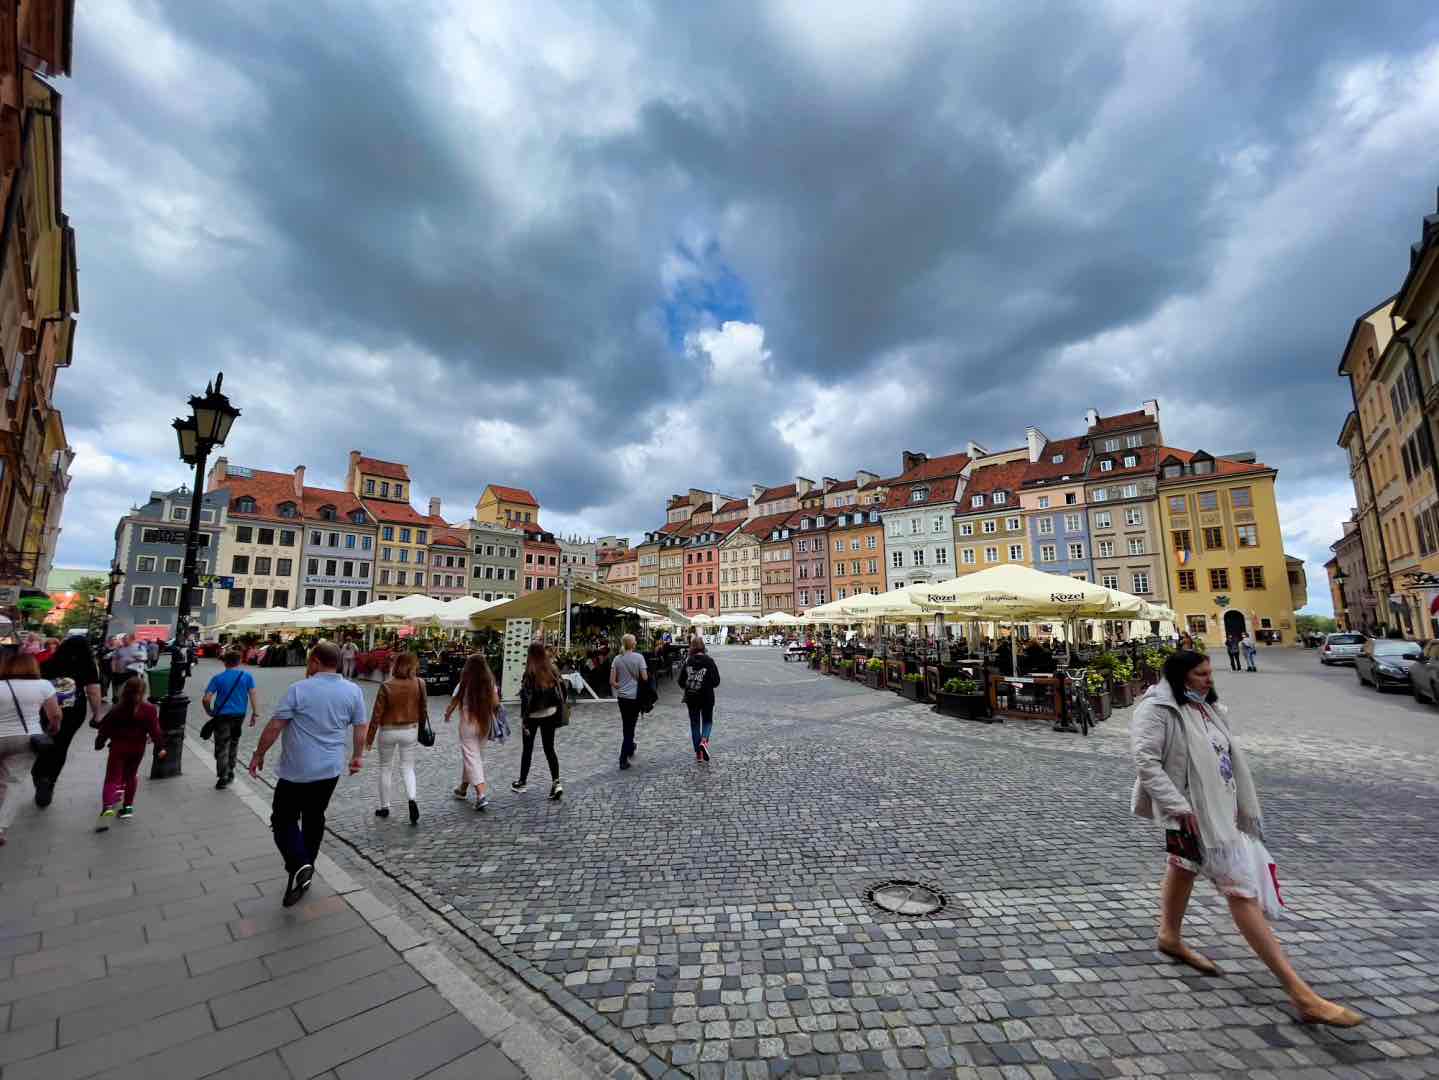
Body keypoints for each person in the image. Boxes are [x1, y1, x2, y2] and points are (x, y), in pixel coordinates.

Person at [1131, 650, 1362, 1027]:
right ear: (1180, 676)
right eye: (1201, 673)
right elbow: (1146, 761)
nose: (1209, 679)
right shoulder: (1157, 709)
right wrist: (1178, 807)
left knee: (1183, 866)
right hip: (1196, 817)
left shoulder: (1207, 708)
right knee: (1241, 892)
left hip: (1222, 810)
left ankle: (1169, 937)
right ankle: (1302, 995)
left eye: (1210, 672)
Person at [248, 642, 367, 907]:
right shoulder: (353, 690)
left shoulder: (299, 689)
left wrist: (259, 753)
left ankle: (300, 863)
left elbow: (276, 725)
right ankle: (307, 866)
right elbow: (360, 727)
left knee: (282, 819)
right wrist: (358, 756)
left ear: (314, 661)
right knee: (315, 816)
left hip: (297, 769)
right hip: (329, 769)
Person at [31, 635, 104, 806]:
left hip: (47, 708)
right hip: (74, 711)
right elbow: (93, 692)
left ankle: (39, 771)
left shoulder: (48, 663)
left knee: (46, 739)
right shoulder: (88, 666)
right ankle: (50, 780)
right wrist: (97, 715)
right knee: (62, 745)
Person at [0, 654, 61, 846]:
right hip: (26, 739)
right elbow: (55, 714)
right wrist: (54, 727)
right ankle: (1, 827)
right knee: (13, 781)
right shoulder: (44, 685)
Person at [93, 676, 165, 830]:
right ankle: (127, 808)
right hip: (137, 748)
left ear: (124, 691)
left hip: (118, 748)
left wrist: (99, 743)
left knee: (112, 778)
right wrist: (160, 747)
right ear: (144, 692)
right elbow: (155, 731)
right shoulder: (149, 709)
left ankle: (108, 809)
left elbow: (105, 729)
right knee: (131, 777)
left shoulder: (117, 709)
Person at [366, 651, 425, 825]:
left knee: (385, 768)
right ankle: (412, 799)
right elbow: (424, 710)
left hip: (388, 730)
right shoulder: (420, 683)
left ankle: (384, 806)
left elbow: (376, 715)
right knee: (408, 767)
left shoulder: (387, 685)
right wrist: (421, 731)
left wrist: (369, 739)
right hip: (410, 730)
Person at [444, 653, 498, 810]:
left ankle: (481, 794)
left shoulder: (464, 683)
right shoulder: (490, 683)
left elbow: (453, 703)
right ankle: (462, 789)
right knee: (474, 756)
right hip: (484, 722)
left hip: (467, 723)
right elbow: (495, 703)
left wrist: (447, 715)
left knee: (471, 756)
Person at [202, 649, 259, 790]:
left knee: (222, 745)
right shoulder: (247, 676)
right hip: (239, 715)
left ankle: (223, 776)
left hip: (221, 716)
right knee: (234, 742)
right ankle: (231, 770)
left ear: (224, 662)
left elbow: (206, 699)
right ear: (239, 661)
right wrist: (255, 713)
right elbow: (252, 695)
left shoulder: (218, 678)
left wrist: (210, 711)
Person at [514, 641, 563, 800]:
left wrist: (524, 720)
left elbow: (526, 699)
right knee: (550, 749)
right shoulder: (552, 669)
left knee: (527, 749)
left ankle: (522, 781)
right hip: (550, 713)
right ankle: (556, 782)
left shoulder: (530, 672)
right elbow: (563, 691)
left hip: (533, 715)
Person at [676, 637, 721, 764]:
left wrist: (690, 685)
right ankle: (704, 741)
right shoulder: (709, 661)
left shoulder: (688, 661)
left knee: (695, 724)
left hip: (692, 697)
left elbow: (680, 681)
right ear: (703, 646)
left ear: (692, 647)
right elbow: (716, 681)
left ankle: (699, 754)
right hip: (707, 697)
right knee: (707, 721)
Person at [610, 633, 648, 770]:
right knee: (629, 728)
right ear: (632, 644)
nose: (636, 642)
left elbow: (612, 682)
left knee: (627, 725)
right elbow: (644, 678)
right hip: (634, 697)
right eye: (635, 641)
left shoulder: (617, 659)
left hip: (622, 697)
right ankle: (623, 758)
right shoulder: (639, 658)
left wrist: (622, 686)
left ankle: (630, 747)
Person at [110, 635, 148, 702]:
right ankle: (118, 700)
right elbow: (114, 659)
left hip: (133, 671)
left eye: (126, 639)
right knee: (119, 687)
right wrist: (113, 670)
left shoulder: (138, 647)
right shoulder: (119, 648)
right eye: (123, 639)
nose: (124, 641)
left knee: (133, 688)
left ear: (131, 640)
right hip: (120, 672)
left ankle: (134, 701)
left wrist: (133, 660)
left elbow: (144, 659)